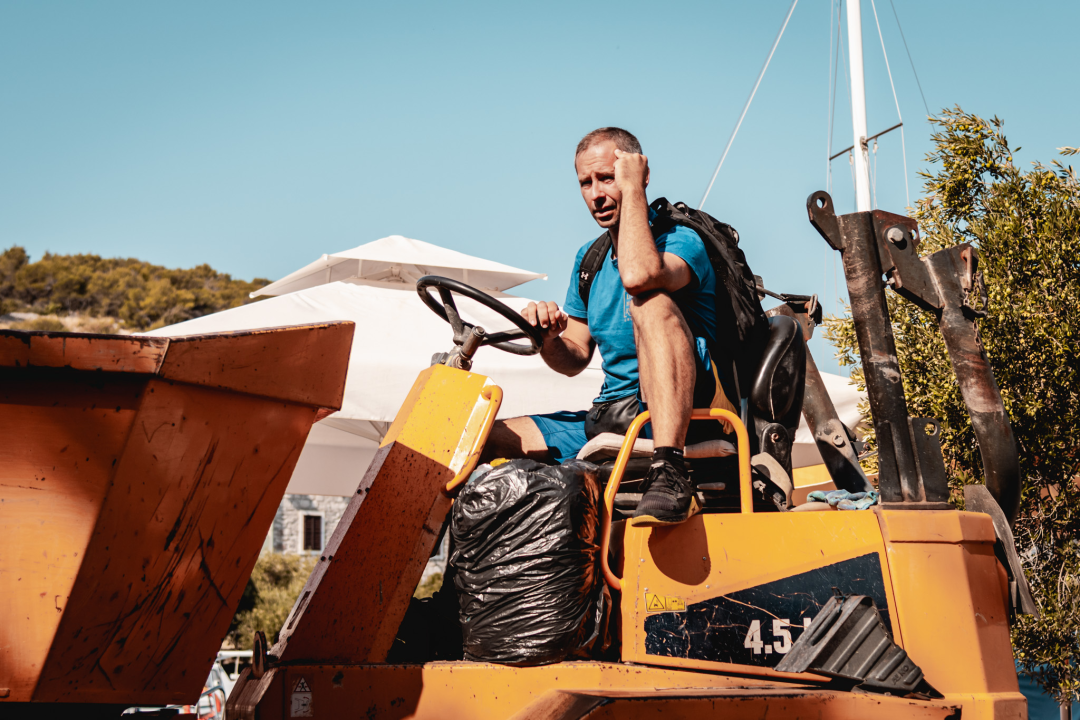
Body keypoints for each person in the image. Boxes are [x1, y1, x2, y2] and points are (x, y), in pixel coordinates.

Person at [483, 127, 730, 526]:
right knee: (481, 438)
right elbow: (574, 358)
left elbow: (639, 276)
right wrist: (547, 340)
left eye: (608, 178)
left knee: (649, 303)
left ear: (638, 175)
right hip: (611, 416)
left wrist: (633, 190)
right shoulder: (590, 260)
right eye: (586, 182)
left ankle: (669, 468)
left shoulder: (681, 241)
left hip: (683, 415)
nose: (596, 194)